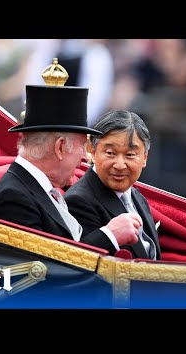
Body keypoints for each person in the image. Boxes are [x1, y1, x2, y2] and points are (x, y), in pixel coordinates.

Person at [0, 66, 142, 250]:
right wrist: (109, 236)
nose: (85, 156)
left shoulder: (37, 188)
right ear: (59, 147)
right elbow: (45, 268)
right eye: (82, 146)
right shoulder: (13, 197)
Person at [64, 110, 161, 260]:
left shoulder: (136, 196)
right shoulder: (79, 201)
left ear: (144, 158)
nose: (120, 165)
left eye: (130, 155)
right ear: (93, 151)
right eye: (110, 153)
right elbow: (78, 262)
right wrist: (109, 236)